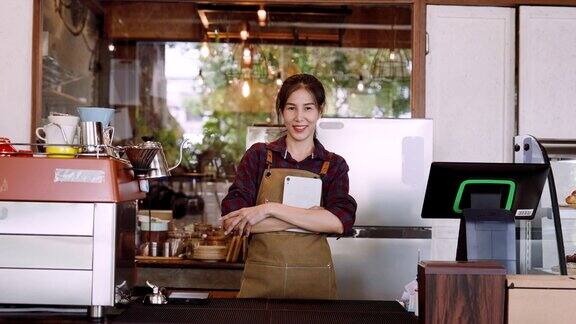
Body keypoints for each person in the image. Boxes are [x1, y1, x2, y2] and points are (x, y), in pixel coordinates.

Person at [220, 73, 357, 299]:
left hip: (315, 285)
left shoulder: (333, 165)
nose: (299, 117)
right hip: (261, 283)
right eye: (291, 108)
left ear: (320, 110)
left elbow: (339, 222)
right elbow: (232, 221)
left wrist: (267, 209)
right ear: (282, 111)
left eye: (308, 108)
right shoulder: (258, 156)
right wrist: (311, 220)